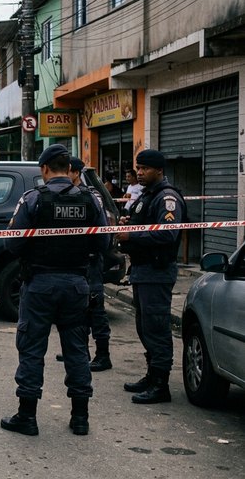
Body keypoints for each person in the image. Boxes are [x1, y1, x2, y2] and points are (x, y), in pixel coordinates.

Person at [0, 144, 109, 436]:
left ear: (45, 169)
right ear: (67, 167)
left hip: (40, 285)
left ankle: (27, 416)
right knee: (76, 349)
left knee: (32, 348)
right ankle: (80, 418)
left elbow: (12, 243)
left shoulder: (33, 199)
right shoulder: (91, 200)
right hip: (76, 285)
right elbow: (104, 244)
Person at [116, 149, 185, 405]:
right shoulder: (148, 195)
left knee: (157, 329)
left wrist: (131, 236)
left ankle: (160, 385)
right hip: (143, 271)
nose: (140, 173)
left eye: (145, 169)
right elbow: (144, 224)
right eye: (139, 168)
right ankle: (151, 375)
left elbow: (167, 234)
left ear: (159, 170)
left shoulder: (167, 198)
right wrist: (129, 223)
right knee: (145, 328)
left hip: (157, 272)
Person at [68, 158, 112, 372]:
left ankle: (103, 355)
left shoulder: (90, 196)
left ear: (76, 173)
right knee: (79, 308)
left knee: (95, 308)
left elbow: (101, 232)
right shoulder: (71, 195)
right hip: (78, 259)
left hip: (92, 259)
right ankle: (81, 350)